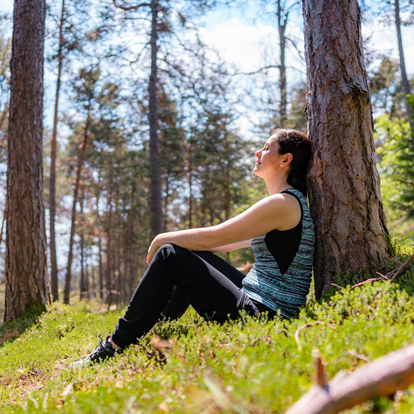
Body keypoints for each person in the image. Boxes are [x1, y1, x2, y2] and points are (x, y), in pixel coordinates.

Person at [72, 128, 315, 367]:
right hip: (261, 304)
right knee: (188, 252)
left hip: (264, 316)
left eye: (266, 148)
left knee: (169, 254)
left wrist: (161, 239)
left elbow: (214, 237)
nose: (257, 152)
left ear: (286, 159)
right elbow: (223, 243)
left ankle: (114, 345)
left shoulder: (283, 203)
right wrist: (181, 245)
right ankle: (159, 322)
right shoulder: (287, 203)